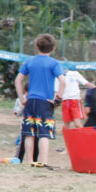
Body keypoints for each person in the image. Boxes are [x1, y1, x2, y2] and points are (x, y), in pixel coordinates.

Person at [14, 34, 65, 168]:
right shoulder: (54, 63)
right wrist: (57, 99)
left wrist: (22, 99)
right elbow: (63, 81)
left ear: (37, 47)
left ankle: (30, 161)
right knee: (44, 133)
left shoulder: (29, 62)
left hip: (31, 101)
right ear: (53, 48)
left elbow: (18, 80)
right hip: (45, 102)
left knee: (29, 133)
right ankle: (43, 161)